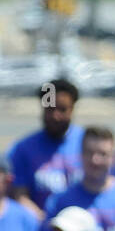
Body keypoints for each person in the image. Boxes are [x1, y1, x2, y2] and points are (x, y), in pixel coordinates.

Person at [6, 78, 83, 217]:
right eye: (50, 109)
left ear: (72, 109)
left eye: (62, 109)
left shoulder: (87, 144)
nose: (55, 116)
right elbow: (19, 194)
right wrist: (43, 222)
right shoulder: (23, 149)